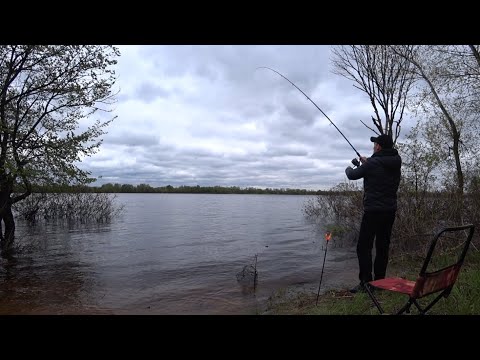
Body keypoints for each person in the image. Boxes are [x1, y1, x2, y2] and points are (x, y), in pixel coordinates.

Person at [345, 134, 402, 293]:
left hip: (373, 212)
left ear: (379, 146)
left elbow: (352, 175)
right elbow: (379, 167)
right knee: (383, 247)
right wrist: (368, 162)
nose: (373, 146)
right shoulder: (395, 162)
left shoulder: (374, 163)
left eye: (375, 143)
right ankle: (380, 282)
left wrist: (349, 167)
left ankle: (365, 283)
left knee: (363, 247)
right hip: (389, 211)